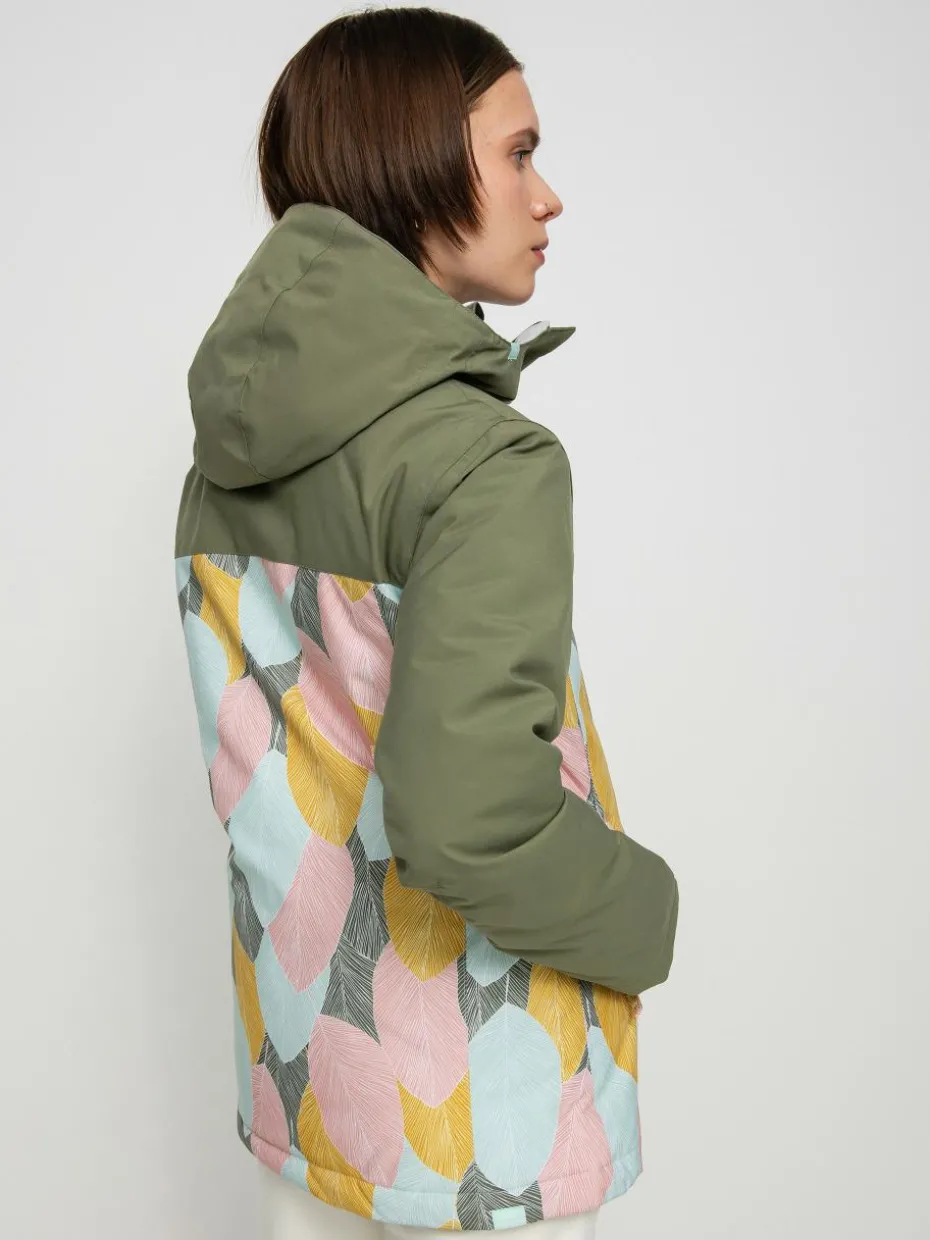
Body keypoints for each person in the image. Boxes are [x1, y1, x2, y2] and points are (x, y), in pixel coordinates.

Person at [173, 7, 679, 1237]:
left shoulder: (225, 460)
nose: (547, 196)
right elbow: (467, 822)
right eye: (518, 153)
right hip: (481, 1123)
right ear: (412, 163)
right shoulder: (486, 462)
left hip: (311, 1077)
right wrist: (643, 911)